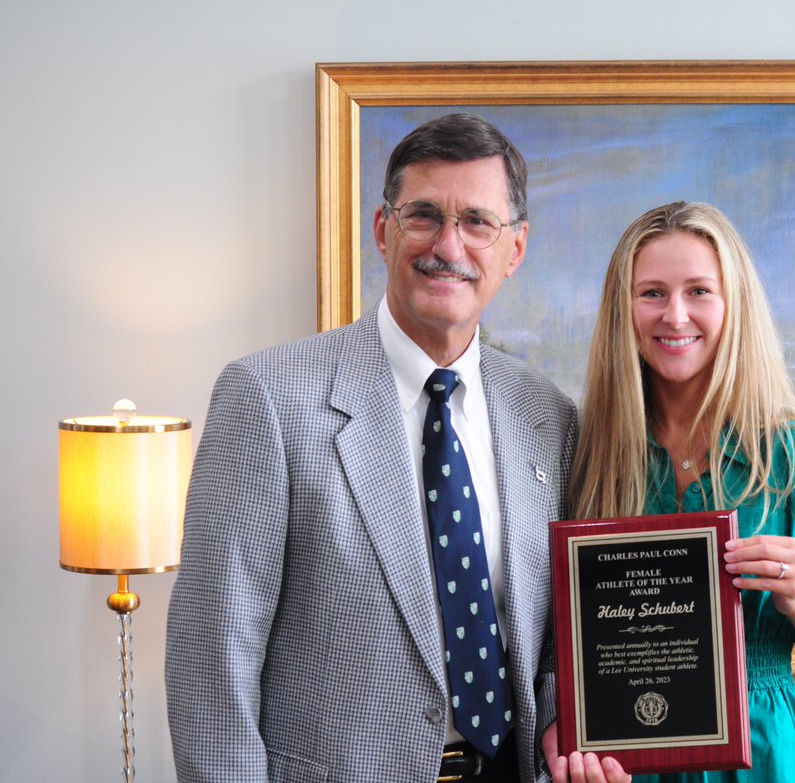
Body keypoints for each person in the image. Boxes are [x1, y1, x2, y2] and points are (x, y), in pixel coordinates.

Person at [166, 113, 577, 782]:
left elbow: (554, 638)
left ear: (515, 250)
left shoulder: (547, 416)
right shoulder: (267, 397)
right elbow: (213, 656)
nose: (448, 245)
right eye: (423, 216)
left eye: (477, 222)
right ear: (383, 230)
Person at [556, 201, 795, 783]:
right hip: (623, 755)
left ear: (734, 306)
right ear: (622, 311)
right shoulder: (583, 455)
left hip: (760, 752)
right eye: (651, 292)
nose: (675, 315)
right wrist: (562, 723)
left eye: (699, 291)